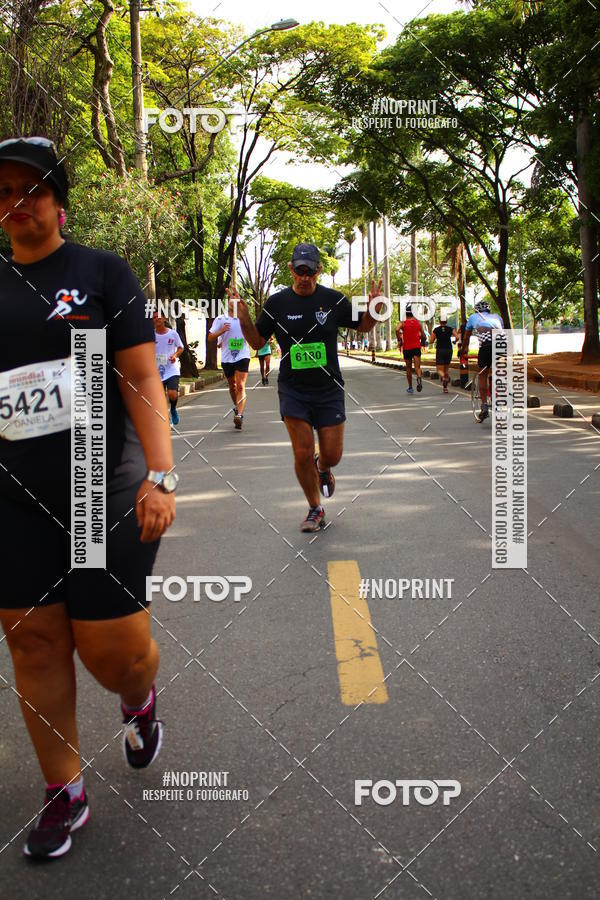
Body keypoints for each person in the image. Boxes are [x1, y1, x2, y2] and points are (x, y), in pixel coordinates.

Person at [0, 137, 178, 860]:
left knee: (112, 653)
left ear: (58, 201)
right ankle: (63, 791)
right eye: (5, 189)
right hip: (13, 490)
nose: (17, 200)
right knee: (34, 637)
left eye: (31, 187)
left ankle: (138, 700)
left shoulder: (101, 273)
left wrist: (161, 475)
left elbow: (141, 378)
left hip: (98, 476)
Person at [233, 242, 385, 532]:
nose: (305, 276)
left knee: (333, 454)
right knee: (301, 452)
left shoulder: (334, 300)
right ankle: (315, 507)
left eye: (311, 271)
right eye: (300, 270)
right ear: (291, 270)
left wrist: (374, 310)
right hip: (293, 389)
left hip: (328, 389)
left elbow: (363, 327)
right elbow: (257, 342)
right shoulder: (277, 304)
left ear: (319, 271)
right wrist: (244, 319)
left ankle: (323, 467)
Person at [208, 296, 251, 429]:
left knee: (240, 385)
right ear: (227, 302)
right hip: (227, 358)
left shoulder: (244, 319)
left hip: (242, 355)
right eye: (231, 299)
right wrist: (221, 331)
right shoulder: (221, 319)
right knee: (232, 386)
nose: (234, 302)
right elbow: (210, 337)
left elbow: (252, 334)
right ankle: (237, 408)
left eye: (237, 299)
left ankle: (240, 415)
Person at [462, 299, 504, 422]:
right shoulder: (497, 316)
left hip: (486, 346)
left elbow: (466, 336)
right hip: (501, 345)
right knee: (499, 371)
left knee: (482, 375)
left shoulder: (473, 317)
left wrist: (463, 349)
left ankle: (484, 405)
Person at [152, 310, 184, 425]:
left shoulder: (172, 334)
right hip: (156, 370)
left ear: (164, 319)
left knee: (172, 393)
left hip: (171, 368)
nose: (157, 319)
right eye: (154, 317)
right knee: (160, 397)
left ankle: (173, 409)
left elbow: (181, 348)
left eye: (159, 317)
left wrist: (175, 355)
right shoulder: (151, 335)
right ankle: (166, 418)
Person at [396, 304, 428, 394]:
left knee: (409, 368)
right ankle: (419, 378)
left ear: (406, 314)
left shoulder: (403, 323)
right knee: (417, 367)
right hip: (416, 348)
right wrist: (422, 340)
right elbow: (424, 336)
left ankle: (410, 387)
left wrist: (399, 339)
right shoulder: (418, 323)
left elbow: (397, 330)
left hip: (407, 348)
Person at [429, 312, 457, 393]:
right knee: (446, 369)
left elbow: (431, 341)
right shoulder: (451, 329)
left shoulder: (436, 330)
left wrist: (432, 340)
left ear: (439, 321)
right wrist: (455, 341)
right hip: (449, 350)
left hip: (440, 350)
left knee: (439, 370)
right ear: (446, 321)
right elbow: (457, 336)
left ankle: (444, 378)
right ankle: (445, 388)